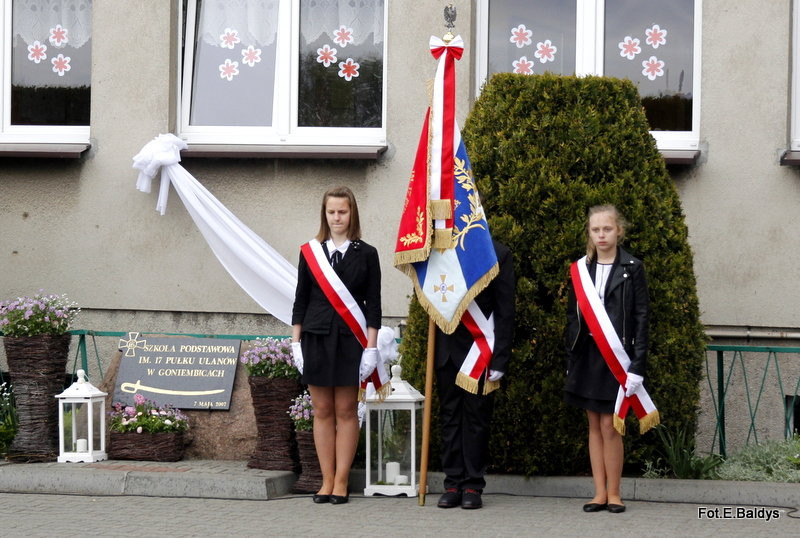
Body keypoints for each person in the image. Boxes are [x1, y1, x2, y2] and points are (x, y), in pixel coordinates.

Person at [291, 186, 382, 505]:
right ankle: (326, 480)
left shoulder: (367, 253)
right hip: (316, 338)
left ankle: (342, 480)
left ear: (351, 213)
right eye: (331, 212)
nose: (337, 217)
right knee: (322, 410)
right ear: (324, 214)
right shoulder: (310, 252)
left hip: (350, 342)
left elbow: (373, 305)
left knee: (345, 411)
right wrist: (295, 343)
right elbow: (300, 300)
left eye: (342, 211)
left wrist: (371, 347)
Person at [564, 204, 649, 514]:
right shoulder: (580, 269)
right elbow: (572, 318)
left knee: (611, 426)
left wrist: (637, 367)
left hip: (618, 359)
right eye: (595, 229)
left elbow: (641, 319)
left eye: (607, 229)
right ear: (590, 233)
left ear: (619, 231)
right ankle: (598, 493)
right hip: (587, 357)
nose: (601, 234)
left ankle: (614, 493)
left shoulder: (632, 267)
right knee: (594, 426)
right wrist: (570, 357)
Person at [435, 239, 515, 510]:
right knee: (450, 419)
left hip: (481, 350)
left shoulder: (497, 252)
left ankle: (472, 485)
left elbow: (505, 308)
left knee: (477, 419)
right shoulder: (439, 250)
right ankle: (452, 483)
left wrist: (501, 356)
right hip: (446, 349)